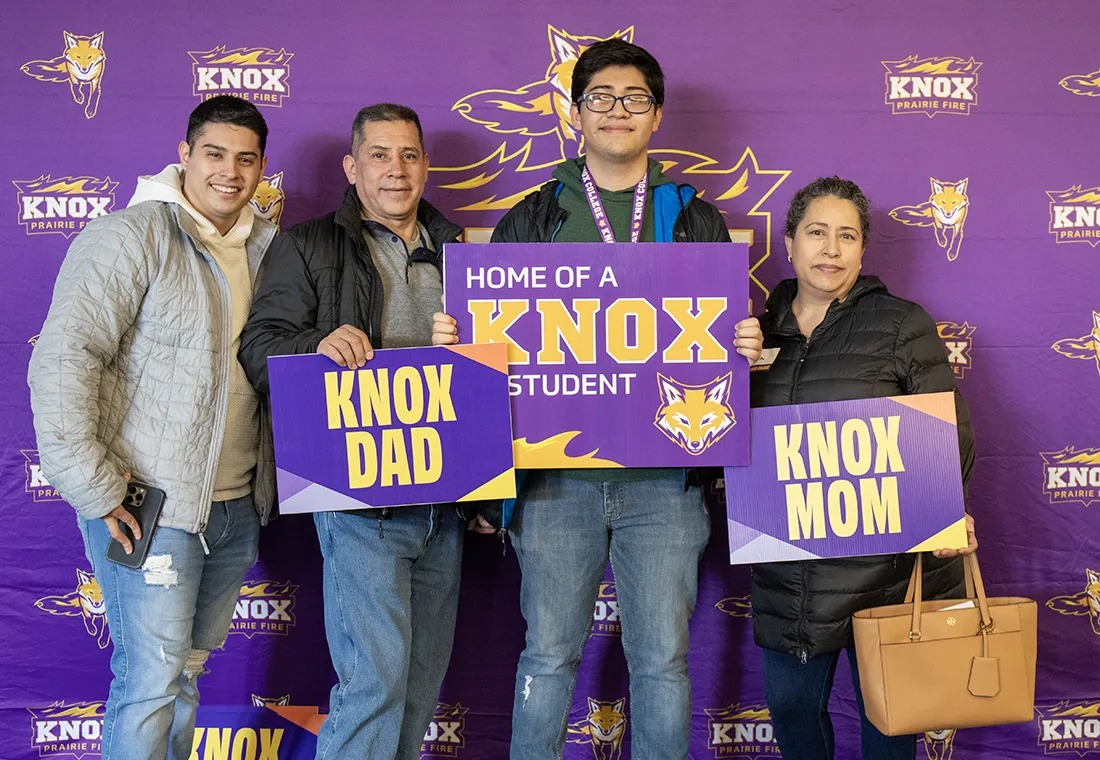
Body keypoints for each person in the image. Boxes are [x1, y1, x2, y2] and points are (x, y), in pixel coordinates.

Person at [432, 39, 763, 760]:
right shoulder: (535, 214)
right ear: (575, 112)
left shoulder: (693, 217)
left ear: (658, 115)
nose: (618, 111)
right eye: (602, 98)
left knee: (663, 664)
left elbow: (718, 351)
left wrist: (740, 348)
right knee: (547, 657)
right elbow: (493, 348)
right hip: (554, 488)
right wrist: (461, 338)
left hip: (663, 489)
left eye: (634, 99)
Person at [28, 95, 275, 760]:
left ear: (260, 168)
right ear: (186, 157)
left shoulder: (269, 249)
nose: (230, 172)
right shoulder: (129, 236)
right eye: (215, 154)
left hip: (233, 507)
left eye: (245, 158)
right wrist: (95, 484)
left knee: (185, 676)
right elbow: (63, 359)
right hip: (149, 504)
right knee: (151, 682)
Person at [238, 103, 466, 760]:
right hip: (356, 494)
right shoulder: (309, 244)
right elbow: (259, 347)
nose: (396, 170)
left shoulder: (459, 252)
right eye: (379, 154)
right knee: (376, 682)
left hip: (445, 502)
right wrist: (318, 343)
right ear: (352, 165)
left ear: (425, 164)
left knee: (419, 684)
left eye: (409, 155)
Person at [748, 176, 979, 760]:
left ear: (862, 250)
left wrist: (947, 512)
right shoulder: (748, 332)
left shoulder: (901, 323)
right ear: (790, 241)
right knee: (793, 712)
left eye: (846, 236)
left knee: (888, 723)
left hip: (888, 570)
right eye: (817, 233)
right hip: (790, 567)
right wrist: (732, 368)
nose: (831, 249)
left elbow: (949, 428)